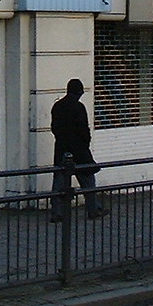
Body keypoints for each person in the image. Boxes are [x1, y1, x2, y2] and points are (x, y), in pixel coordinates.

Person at [49, 78, 109, 221]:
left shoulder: (57, 107)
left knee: (60, 182)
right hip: (79, 150)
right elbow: (84, 130)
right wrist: (85, 143)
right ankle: (93, 209)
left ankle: (57, 213)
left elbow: (54, 128)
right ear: (79, 92)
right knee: (88, 181)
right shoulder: (79, 107)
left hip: (62, 149)